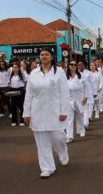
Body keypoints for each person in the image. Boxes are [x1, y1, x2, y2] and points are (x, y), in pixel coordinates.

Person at [23, 48, 70, 178]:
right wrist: (26, 112)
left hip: (55, 111)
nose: (43, 56)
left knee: (58, 137)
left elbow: (65, 93)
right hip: (37, 111)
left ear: (51, 57)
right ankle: (47, 167)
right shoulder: (34, 73)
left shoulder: (59, 72)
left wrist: (63, 110)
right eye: (42, 55)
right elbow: (29, 94)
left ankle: (62, 150)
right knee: (42, 141)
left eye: (46, 54)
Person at [66, 60, 90, 143]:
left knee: (80, 116)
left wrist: (86, 97)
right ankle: (69, 136)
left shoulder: (81, 76)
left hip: (80, 99)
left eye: (74, 65)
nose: (73, 66)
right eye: (71, 64)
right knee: (69, 118)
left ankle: (82, 130)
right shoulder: (65, 77)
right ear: (68, 66)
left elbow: (87, 87)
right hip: (69, 100)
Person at [77, 61, 96, 130]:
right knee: (82, 109)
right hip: (80, 93)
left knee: (89, 106)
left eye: (81, 65)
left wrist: (94, 93)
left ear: (84, 66)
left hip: (89, 92)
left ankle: (85, 123)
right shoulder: (76, 73)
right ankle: (84, 122)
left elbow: (93, 83)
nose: (80, 66)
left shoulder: (88, 73)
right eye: (78, 65)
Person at [8, 62, 27, 126]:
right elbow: (9, 83)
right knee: (13, 107)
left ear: (19, 68)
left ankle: (22, 121)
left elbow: (25, 82)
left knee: (21, 107)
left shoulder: (22, 75)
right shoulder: (11, 75)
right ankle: (14, 121)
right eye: (13, 67)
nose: (14, 68)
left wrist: (24, 89)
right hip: (13, 91)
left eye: (16, 67)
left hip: (20, 91)